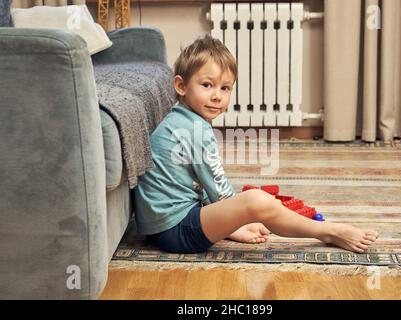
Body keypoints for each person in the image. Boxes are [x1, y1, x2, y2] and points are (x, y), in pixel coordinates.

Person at [133, 34, 379, 254]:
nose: (217, 95)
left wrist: (232, 225)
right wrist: (243, 214)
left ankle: (244, 222)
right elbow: (219, 191)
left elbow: (201, 188)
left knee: (249, 202)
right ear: (181, 86)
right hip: (176, 231)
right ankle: (327, 231)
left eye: (225, 88)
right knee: (256, 200)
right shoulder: (195, 129)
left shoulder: (181, 120)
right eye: (206, 85)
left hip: (164, 226)